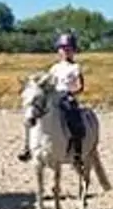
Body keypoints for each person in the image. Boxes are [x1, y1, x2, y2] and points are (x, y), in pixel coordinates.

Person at [20, 32, 87, 163]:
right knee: (32, 114)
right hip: (52, 98)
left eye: (69, 49)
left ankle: (77, 152)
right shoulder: (54, 68)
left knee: (74, 120)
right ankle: (27, 147)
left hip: (67, 98)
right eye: (63, 49)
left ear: (73, 51)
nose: (65, 52)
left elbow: (80, 86)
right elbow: (48, 83)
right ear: (59, 50)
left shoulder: (75, 67)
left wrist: (70, 92)